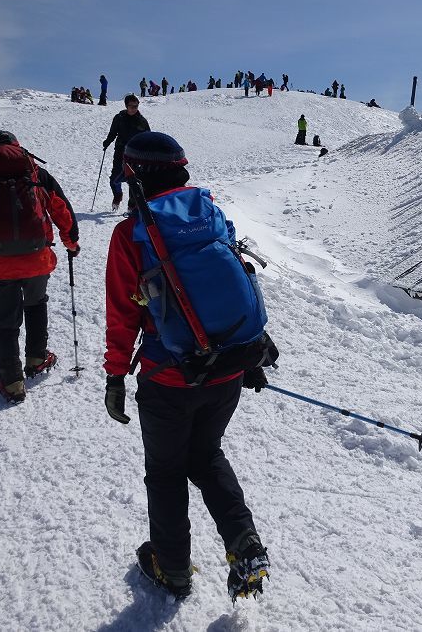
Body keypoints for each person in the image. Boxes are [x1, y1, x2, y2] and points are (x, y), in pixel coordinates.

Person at [103, 131, 272, 601]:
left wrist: (115, 375)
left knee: (166, 473)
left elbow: (122, 315)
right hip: (229, 369)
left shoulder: (132, 233)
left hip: (170, 377)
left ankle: (172, 570)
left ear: (134, 173)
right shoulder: (210, 211)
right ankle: (245, 544)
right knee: (207, 455)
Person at [0, 130, 79, 403]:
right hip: (36, 258)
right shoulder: (34, 172)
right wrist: (71, 242)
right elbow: (61, 209)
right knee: (36, 303)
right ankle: (37, 358)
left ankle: (12, 383)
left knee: (6, 320)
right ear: (17, 147)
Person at [103, 94, 150, 210]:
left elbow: (148, 137)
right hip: (120, 151)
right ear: (126, 106)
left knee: (133, 179)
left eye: (136, 106)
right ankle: (118, 195)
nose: (134, 108)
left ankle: (132, 204)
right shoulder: (119, 118)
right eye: (131, 106)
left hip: (135, 153)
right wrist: (107, 142)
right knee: (114, 178)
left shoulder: (142, 121)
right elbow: (113, 132)